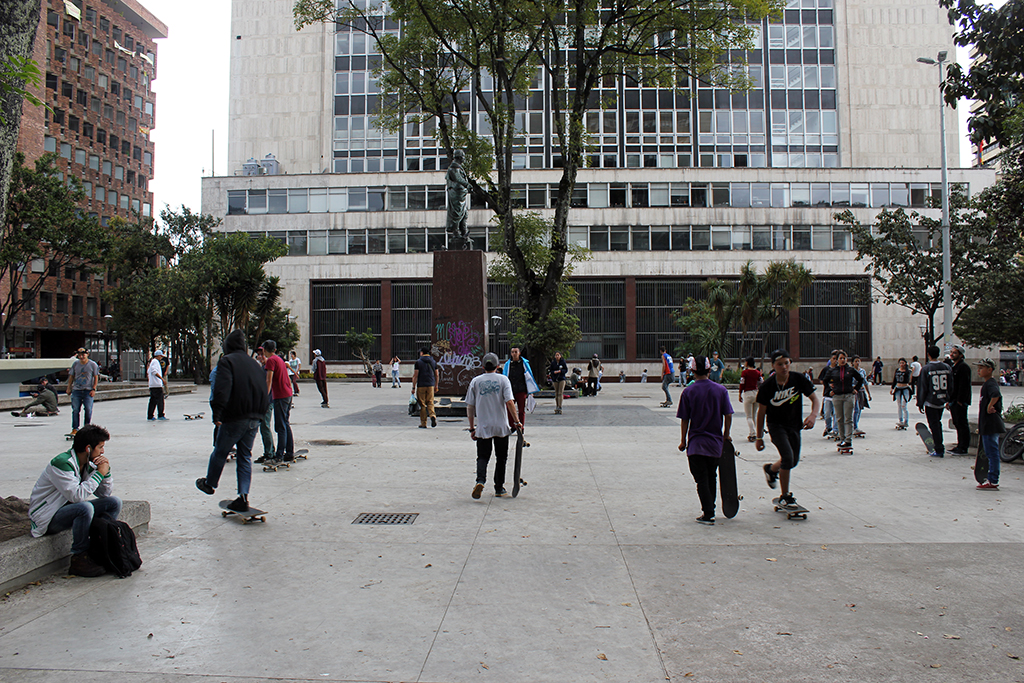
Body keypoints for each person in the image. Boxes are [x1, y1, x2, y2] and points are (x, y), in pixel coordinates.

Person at [30, 424, 120, 577]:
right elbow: (76, 496)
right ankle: (79, 557)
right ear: (88, 448)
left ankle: (100, 546)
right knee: (84, 508)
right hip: (47, 516)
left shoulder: (88, 464)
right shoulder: (62, 463)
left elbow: (104, 493)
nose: (103, 451)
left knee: (114, 502)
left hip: (68, 509)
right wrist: (99, 474)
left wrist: (106, 473)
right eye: (100, 447)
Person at [196, 330, 271, 512]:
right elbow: (264, 389)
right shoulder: (254, 364)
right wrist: (260, 414)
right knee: (245, 456)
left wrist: (217, 414)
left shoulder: (227, 361)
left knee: (221, 450)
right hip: (255, 417)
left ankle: (210, 484)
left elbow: (222, 389)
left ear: (227, 346)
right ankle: (243, 497)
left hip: (236, 417)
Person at [756, 349, 820, 509]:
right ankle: (785, 496)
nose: (784, 367)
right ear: (773, 366)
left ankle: (771, 470)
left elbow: (815, 399)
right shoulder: (767, 386)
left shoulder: (798, 379)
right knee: (787, 457)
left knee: (793, 461)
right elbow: (761, 413)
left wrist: (813, 415)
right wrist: (758, 437)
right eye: (779, 364)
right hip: (776, 426)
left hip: (794, 425)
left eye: (786, 363)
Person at [677, 356, 734, 525]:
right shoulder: (721, 390)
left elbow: (685, 419)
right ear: (710, 370)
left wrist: (682, 441)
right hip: (715, 444)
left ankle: (708, 513)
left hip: (696, 444)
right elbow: (728, 414)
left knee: (701, 479)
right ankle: (711, 508)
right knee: (711, 476)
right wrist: (726, 434)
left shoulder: (688, 392)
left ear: (692, 371)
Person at [466, 352, 522, 499]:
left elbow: (470, 406)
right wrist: (517, 422)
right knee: (501, 457)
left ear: (483, 366)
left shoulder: (475, 381)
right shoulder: (503, 380)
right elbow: (510, 402)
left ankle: (480, 481)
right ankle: (499, 487)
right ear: (498, 366)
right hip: (501, 427)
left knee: (482, 457)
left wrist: (472, 427)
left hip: (483, 427)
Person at [823, 350, 866, 452]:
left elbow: (860, 379)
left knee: (848, 418)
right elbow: (825, 380)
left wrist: (855, 389)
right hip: (837, 396)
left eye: (844, 358)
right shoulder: (833, 371)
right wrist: (830, 390)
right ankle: (842, 439)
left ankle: (848, 439)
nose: (842, 360)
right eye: (840, 358)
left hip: (848, 396)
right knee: (839, 418)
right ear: (837, 360)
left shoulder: (850, 370)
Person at [262, 340, 294, 463]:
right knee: (285, 423)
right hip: (287, 394)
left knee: (280, 426)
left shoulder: (271, 361)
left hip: (280, 395)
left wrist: (265, 397)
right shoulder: (279, 359)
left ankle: (279, 455)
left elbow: (268, 380)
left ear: (265, 350)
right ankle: (289, 452)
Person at [917, 345, 951, 458]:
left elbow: (922, 387)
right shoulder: (946, 367)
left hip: (931, 401)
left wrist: (920, 402)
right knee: (938, 422)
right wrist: (948, 399)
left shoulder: (926, 369)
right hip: (942, 400)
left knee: (934, 425)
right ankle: (939, 445)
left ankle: (939, 448)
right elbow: (951, 385)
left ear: (928, 355)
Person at [975, 358, 1004, 490]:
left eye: (981, 368)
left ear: (990, 370)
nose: (979, 370)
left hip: (991, 424)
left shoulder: (991, 383)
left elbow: (996, 394)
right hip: (987, 424)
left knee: (992, 453)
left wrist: (990, 406)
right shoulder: (987, 384)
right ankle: (991, 478)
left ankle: (993, 480)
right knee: (989, 452)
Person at [66, 347, 100, 436]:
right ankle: (75, 428)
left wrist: (94, 389)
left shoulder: (93, 364)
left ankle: (86, 428)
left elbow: (96, 377)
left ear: (87, 354)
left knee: (88, 409)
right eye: (79, 355)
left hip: (88, 390)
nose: (81, 357)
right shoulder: (75, 364)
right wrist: (69, 387)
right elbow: (71, 376)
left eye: (83, 355)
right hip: (77, 390)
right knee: (75, 409)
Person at [503, 346, 539, 426]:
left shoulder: (524, 363)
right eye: (513, 352)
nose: (514, 354)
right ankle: (512, 425)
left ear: (519, 353)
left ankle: (521, 426)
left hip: (521, 389)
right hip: (510, 390)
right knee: (508, 408)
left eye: (516, 352)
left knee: (521, 410)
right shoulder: (508, 364)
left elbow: (529, 377)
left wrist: (531, 391)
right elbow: (504, 377)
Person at [948, 345, 972, 456]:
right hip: (954, 399)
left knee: (962, 423)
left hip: (960, 401)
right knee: (957, 422)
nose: (952, 354)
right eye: (951, 352)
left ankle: (963, 447)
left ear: (961, 355)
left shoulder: (963, 367)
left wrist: (960, 400)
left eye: (955, 353)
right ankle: (960, 444)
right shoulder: (954, 367)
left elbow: (964, 385)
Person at [444, 149, 472, 249]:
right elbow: (458, 178)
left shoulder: (458, 167)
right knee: (457, 213)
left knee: (464, 213)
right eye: (463, 157)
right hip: (456, 194)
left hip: (461, 195)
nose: (464, 159)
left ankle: (464, 232)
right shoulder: (453, 168)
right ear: (459, 157)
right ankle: (456, 232)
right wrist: (467, 184)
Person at [253, 347, 276, 464]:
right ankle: (269, 451)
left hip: (267, 401)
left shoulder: (269, 368)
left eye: (262, 354)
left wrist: (265, 399)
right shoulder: (262, 368)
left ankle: (270, 453)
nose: (260, 357)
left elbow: (269, 383)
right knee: (263, 427)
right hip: (262, 401)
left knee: (265, 426)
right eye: (258, 355)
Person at [411, 347, 439, 428]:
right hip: (430, 385)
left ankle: (424, 423)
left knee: (422, 404)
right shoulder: (433, 362)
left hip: (421, 385)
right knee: (430, 402)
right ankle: (432, 416)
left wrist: (413, 387)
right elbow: (437, 374)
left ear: (422, 353)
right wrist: (436, 385)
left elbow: (415, 375)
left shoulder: (418, 362)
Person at [738, 357, 762, 441]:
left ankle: (753, 433)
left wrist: (740, 394)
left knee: (749, 416)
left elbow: (742, 383)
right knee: (754, 415)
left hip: (748, 394)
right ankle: (757, 432)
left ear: (747, 363)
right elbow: (761, 382)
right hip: (756, 393)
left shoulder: (745, 373)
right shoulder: (757, 372)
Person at [817, 351, 838, 437]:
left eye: (836, 359)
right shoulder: (826, 369)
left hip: (837, 395)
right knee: (827, 412)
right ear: (830, 359)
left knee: (836, 413)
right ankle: (828, 427)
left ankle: (836, 429)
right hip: (828, 394)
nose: (835, 361)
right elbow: (821, 379)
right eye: (834, 359)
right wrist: (828, 385)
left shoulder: (839, 369)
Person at [890, 358, 914, 429]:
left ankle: (906, 421)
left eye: (903, 363)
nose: (902, 364)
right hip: (898, 388)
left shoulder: (908, 371)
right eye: (900, 363)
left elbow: (908, 377)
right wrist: (892, 388)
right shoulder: (897, 370)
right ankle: (900, 420)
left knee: (904, 405)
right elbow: (895, 379)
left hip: (905, 388)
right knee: (899, 405)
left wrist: (907, 367)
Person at [851, 355, 871, 436]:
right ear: (852, 363)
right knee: (856, 408)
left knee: (859, 409)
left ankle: (855, 424)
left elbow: (865, 382)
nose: (857, 363)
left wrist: (868, 393)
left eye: (859, 361)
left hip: (861, 391)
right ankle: (854, 426)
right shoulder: (851, 371)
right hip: (854, 391)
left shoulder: (862, 371)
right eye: (856, 361)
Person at [146, 350, 168, 421]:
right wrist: (162, 379)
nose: (161, 357)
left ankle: (150, 415)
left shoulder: (152, 362)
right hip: (156, 385)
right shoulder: (155, 362)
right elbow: (154, 371)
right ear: (158, 356)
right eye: (161, 356)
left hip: (153, 385)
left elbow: (148, 371)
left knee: (153, 401)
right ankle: (161, 415)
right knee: (160, 400)